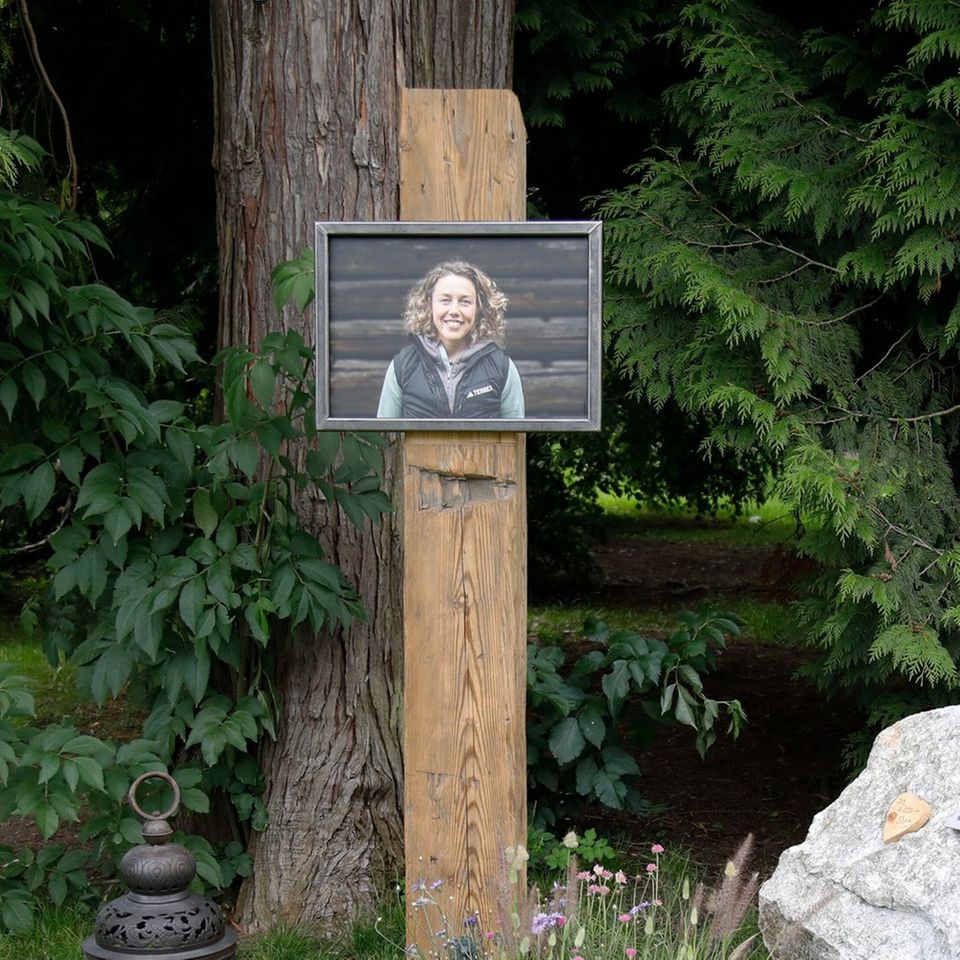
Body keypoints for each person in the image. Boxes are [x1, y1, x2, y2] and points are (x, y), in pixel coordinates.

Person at [376, 260, 525, 419]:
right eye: (445, 300)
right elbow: (384, 438)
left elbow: (516, 439)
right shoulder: (402, 367)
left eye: (465, 302)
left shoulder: (502, 367)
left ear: (479, 308)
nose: (454, 310)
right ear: (429, 305)